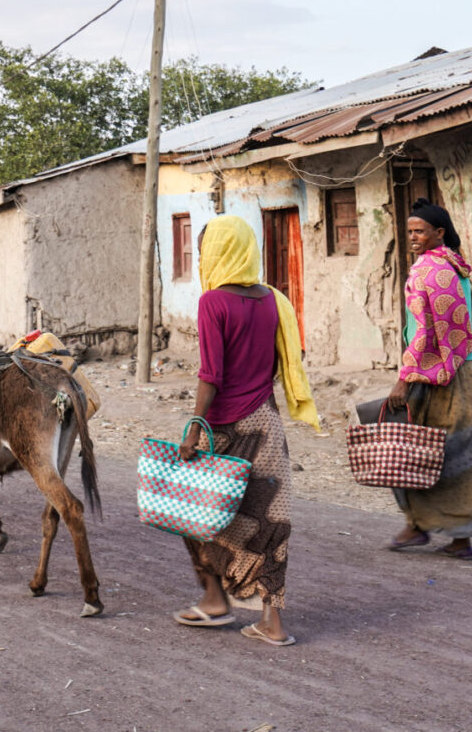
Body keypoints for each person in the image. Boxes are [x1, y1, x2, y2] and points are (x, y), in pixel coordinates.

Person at [173, 215, 320, 646]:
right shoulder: (273, 300)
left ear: (221, 253)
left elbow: (211, 374)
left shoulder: (212, 302)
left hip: (226, 428)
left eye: (204, 252)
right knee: (271, 525)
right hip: (268, 426)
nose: (201, 260)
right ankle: (272, 623)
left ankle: (216, 599)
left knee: (193, 513)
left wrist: (194, 427)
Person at [386, 198, 472, 560]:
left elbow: (425, 333)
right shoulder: (459, 268)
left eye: (420, 231)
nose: (413, 237)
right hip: (470, 375)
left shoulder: (426, 271)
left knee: (414, 453)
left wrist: (405, 378)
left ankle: (416, 527)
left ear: (440, 232)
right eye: (410, 231)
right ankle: (459, 539)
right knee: (461, 459)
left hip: (437, 380)